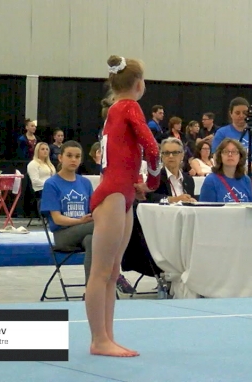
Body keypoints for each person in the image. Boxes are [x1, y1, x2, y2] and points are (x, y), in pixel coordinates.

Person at [87, 55, 161, 357]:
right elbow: (152, 147)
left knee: (112, 270)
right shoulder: (129, 106)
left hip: (122, 192)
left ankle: (106, 337)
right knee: (102, 271)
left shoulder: (114, 109)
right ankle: (99, 340)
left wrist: (139, 180)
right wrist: (153, 183)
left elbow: (125, 152)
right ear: (139, 84)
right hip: (115, 194)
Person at [40, 141, 95, 284]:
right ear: (60, 158)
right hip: (63, 235)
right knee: (106, 225)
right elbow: (57, 219)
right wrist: (80, 221)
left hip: (85, 232)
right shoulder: (51, 184)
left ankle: (91, 290)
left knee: (92, 240)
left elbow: (93, 211)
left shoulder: (86, 183)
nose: (73, 160)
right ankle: (116, 274)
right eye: (69, 155)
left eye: (77, 156)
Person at [199, 138, 252, 203]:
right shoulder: (211, 181)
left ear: (240, 156)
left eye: (234, 152)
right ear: (220, 156)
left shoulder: (246, 180)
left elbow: (251, 206)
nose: (230, 155)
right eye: (226, 151)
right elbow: (205, 210)